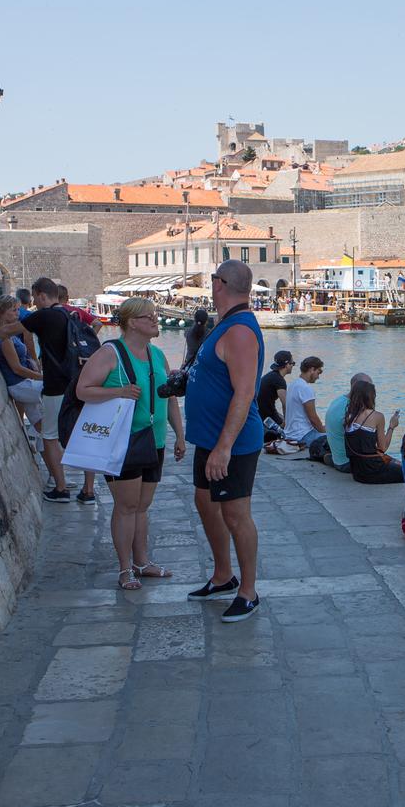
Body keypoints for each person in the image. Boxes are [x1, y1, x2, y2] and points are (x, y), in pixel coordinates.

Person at [74, 298, 186, 589]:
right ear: (133, 323)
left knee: (142, 505)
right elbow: (82, 390)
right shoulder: (109, 353)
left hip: (154, 440)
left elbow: (169, 397)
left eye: (155, 315)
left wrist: (179, 434)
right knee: (126, 505)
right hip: (122, 442)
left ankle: (142, 562)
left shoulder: (157, 355)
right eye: (149, 316)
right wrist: (119, 392)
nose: (155, 319)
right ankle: (125, 569)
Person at [184, 260, 264, 623]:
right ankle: (222, 576)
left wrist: (224, 447)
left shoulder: (240, 331)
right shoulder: (225, 325)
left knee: (235, 513)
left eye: (212, 279)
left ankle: (248, 592)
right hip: (210, 437)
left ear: (219, 284)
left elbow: (245, 393)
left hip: (232, 442)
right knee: (205, 501)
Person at [0, 277, 85, 503]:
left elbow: (9, 331)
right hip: (67, 381)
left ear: (41, 295)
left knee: (48, 436)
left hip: (53, 385)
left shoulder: (43, 316)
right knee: (44, 428)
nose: (32, 304)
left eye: (34, 299)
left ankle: (61, 488)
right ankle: (61, 480)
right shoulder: (65, 313)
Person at [0, 296, 43, 430]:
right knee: (58, 389)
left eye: (18, 310)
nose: (17, 313)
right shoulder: (5, 339)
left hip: (23, 384)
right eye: (14, 310)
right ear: (2, 312)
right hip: (20, 385)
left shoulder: (6, 335)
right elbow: (17, 368)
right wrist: (42, 377)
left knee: (39, 423)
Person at [343, 378, 404, 484]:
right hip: (373, 471)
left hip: (357, 472)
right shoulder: (377, 416)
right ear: (371, 397)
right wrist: (391, 427)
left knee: (395, 463)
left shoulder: (348, 416)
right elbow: (383, 448)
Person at [323, 372, 369, 472]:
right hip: (347, 462)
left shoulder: (338, 400)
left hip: (338, 458)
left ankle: (334, 459)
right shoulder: (352, 409)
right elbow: (364, 445)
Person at [283, 356, 327, 447]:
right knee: (337, 438)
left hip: (290, 434)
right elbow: (313, 419)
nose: (318, 377)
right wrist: (324, 433)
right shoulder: (305, 388)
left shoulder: (292, 385)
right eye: (318, 372)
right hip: (303, 436)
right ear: (312, 369)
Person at [257, 350, 293, 441]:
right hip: (266, 417)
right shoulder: (279, 380)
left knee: (284, 418)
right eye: (292, 363)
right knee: (291, 427)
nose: (293, 366)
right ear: (287, 365)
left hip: (259, 413)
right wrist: (286, 423)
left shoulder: (271, 376)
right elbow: (286, 404)